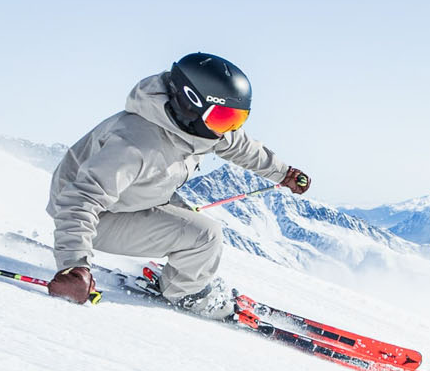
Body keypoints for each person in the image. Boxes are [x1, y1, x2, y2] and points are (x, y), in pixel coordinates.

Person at [44, 53, 310, 316]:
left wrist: (283, 173)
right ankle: (186, 293)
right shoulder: (135, 144)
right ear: (190, 102)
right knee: (204, 236)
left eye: (235, 119)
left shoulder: (195, 125)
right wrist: (73, 267)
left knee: (191, 223)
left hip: (132, 196)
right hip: (93, 215)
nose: (226, 129)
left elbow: (239, 146)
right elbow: (79, 200)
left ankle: (184, 277)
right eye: (222, 118)